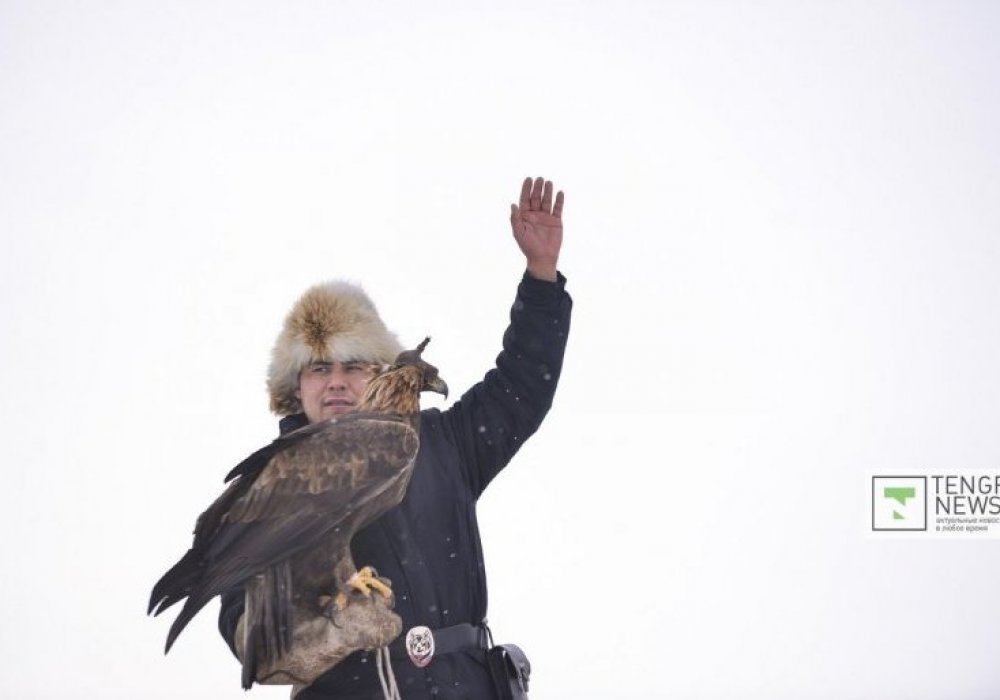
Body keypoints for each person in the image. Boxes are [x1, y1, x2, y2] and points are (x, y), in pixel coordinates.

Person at [218, 176, 572, 699]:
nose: (336, 380)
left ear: (381, 373)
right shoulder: (272, 486)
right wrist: (312, 635)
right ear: (297, 388)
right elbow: (244, 622)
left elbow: (521, 387)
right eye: (318, 368)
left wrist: (541, 279)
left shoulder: (442, 444)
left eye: (353, 364)